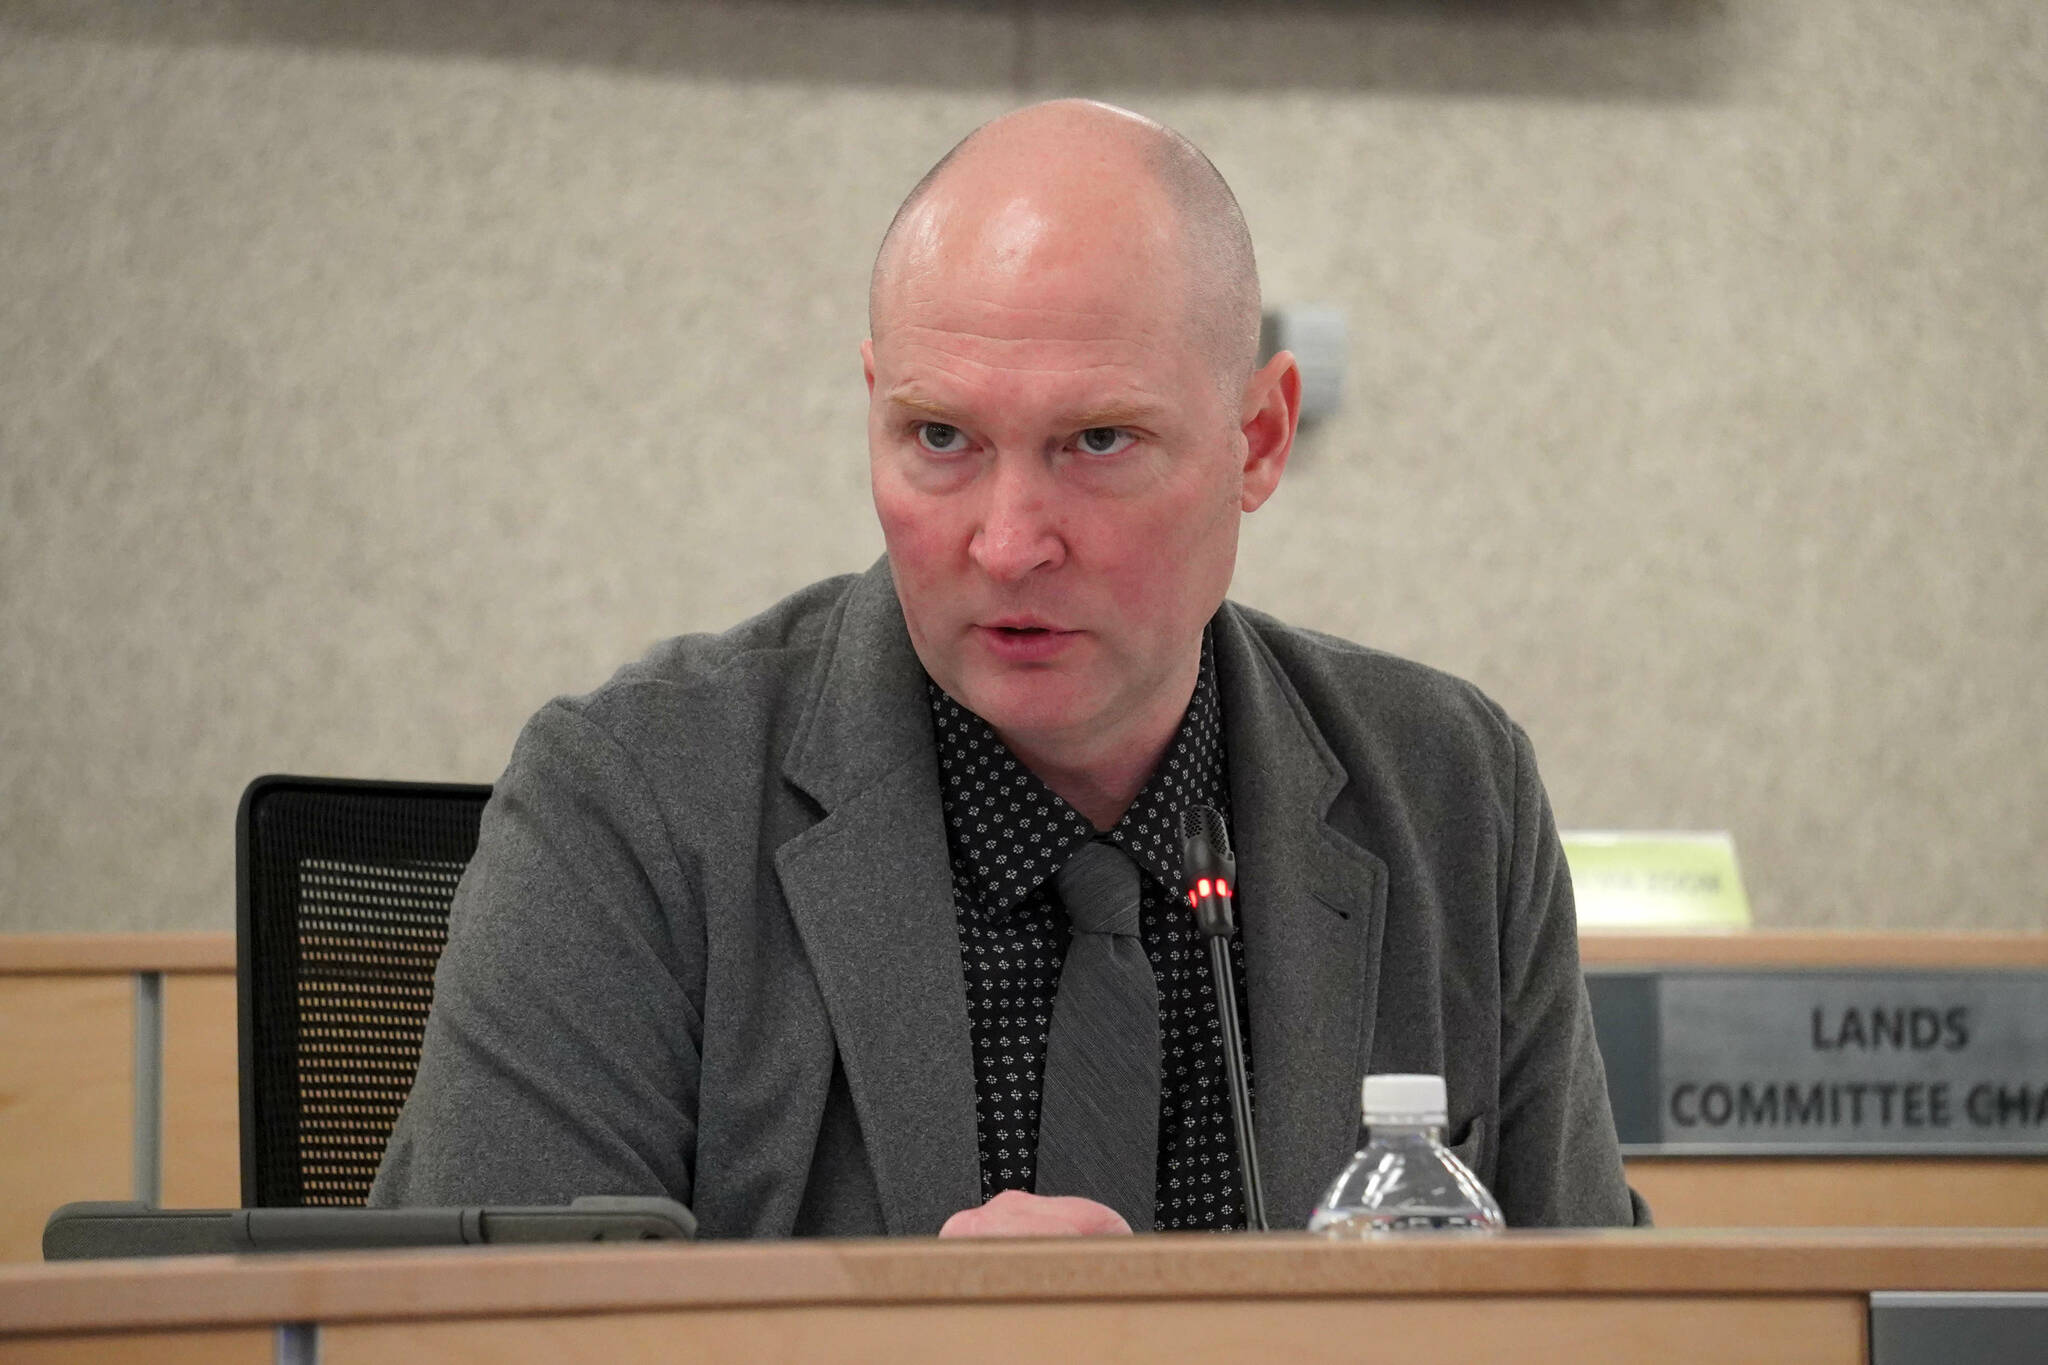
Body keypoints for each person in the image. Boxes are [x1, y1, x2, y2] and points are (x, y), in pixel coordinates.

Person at [370, 100, 1643, 1237]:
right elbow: (483, 1338)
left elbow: (1606, 1333)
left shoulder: (1450, 794)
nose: (1007, 540)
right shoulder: (637, 803)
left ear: (1257, 438)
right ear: (873, 409)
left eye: (1096, 440)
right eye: (939, 437)